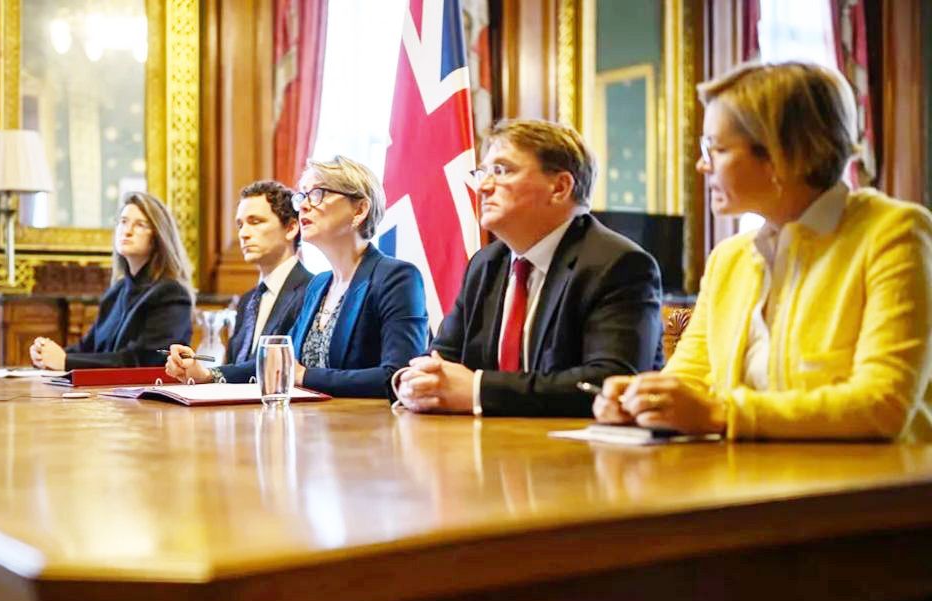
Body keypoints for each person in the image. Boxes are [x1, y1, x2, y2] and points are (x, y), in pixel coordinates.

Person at [593, 61, 932, 441]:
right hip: (747, 474)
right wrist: (641, 402)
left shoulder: (895, 232)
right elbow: (689, 379)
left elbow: (883, 404)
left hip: (871, 479)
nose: (702, 165)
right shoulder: (730, 258)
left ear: (780, 155)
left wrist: (721, 413)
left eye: (716, 149)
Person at [395, 119, 664, 417]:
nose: (482, 187)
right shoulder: (486, 264)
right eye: (483, 172)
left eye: (502, 170)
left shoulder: (618, 264)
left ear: (559, 187)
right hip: (485, 440)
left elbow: (609, 385)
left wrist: (479, 390)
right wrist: (413, 382)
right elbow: (441, 358)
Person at [166, 156, 429, 397]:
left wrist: (305, 376)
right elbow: (277, 359)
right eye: (301, 196)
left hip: (366, 429)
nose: (302, 205)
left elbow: (399, 376)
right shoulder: (319, 285)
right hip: (310, 426)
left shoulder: (396, 278)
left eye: (317, 194)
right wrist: (208, 374)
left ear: (359, 210)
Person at [29, 192, 194, 370]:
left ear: (158, 237)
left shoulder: (171, 294)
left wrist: (65, 361)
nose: (127, 231)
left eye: (140, 225)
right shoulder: (116, 292)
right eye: (123, 222)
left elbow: (141, 361)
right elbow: (88, 349)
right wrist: (46, 356)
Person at [224, 180, 313, 364]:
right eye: (240, 225)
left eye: (255, 222)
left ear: (291, 228)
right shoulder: (247, 300)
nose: (243, 234)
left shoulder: (312, 292)